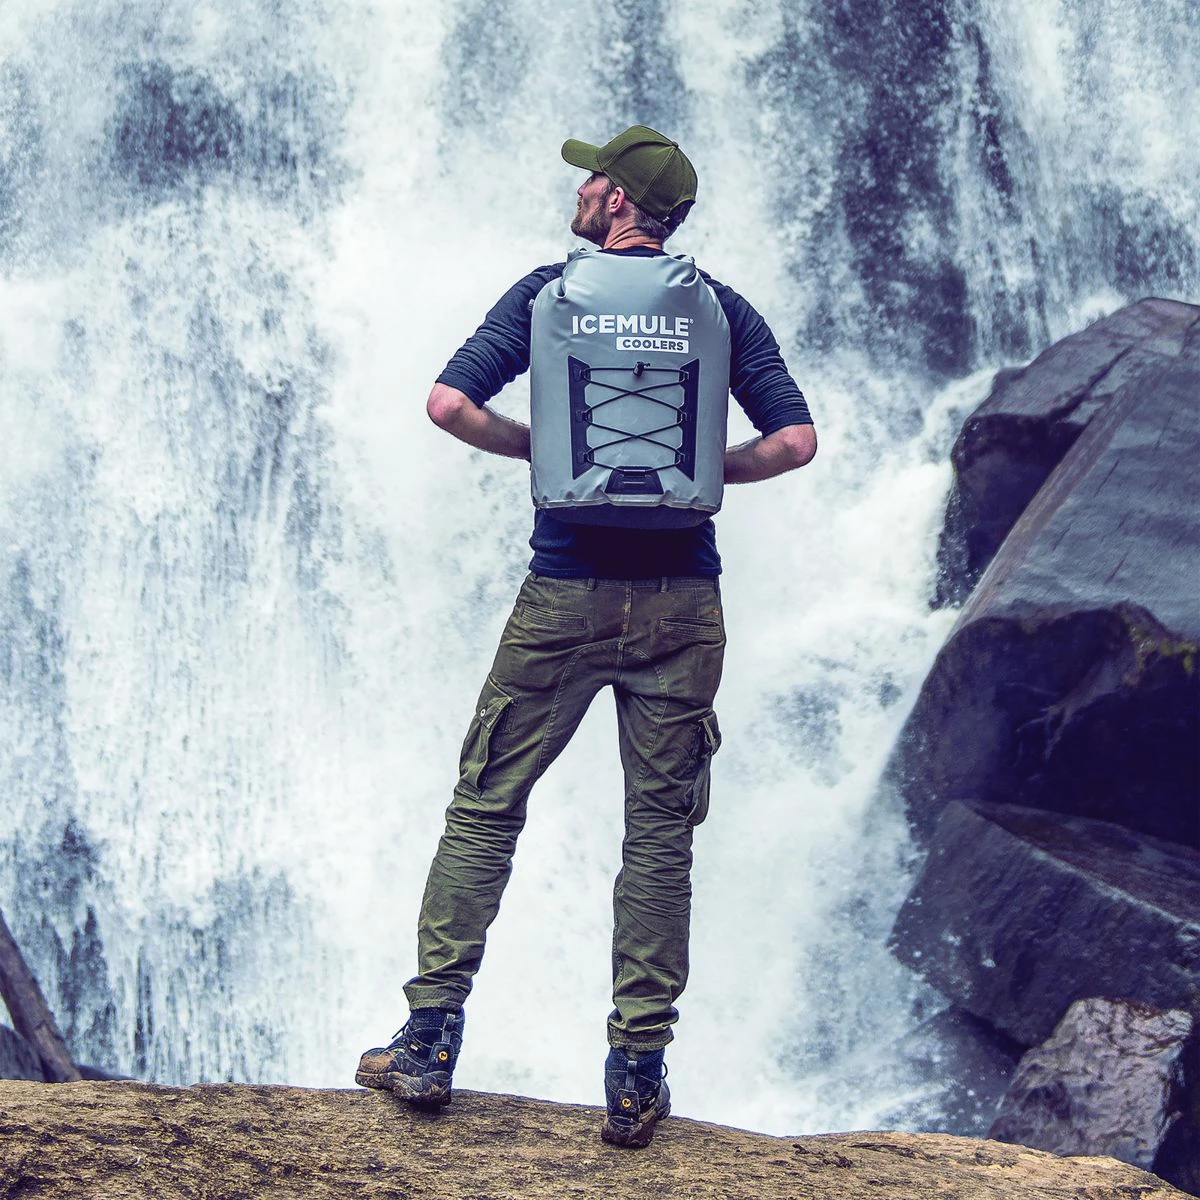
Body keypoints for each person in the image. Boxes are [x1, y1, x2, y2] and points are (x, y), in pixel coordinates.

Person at [356, 125, 816, 1148]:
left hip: (563, 596)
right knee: (658, 834)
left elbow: (447, 405)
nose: (581, 187)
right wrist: (699, 466)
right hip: (683, 602)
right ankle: (636, 1074)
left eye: (592, 178)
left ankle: (427, 1044)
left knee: (486, 806)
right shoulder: (721, 307)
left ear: (617, 202)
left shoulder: (544, 294)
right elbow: (794, 441)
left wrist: (542, 449)